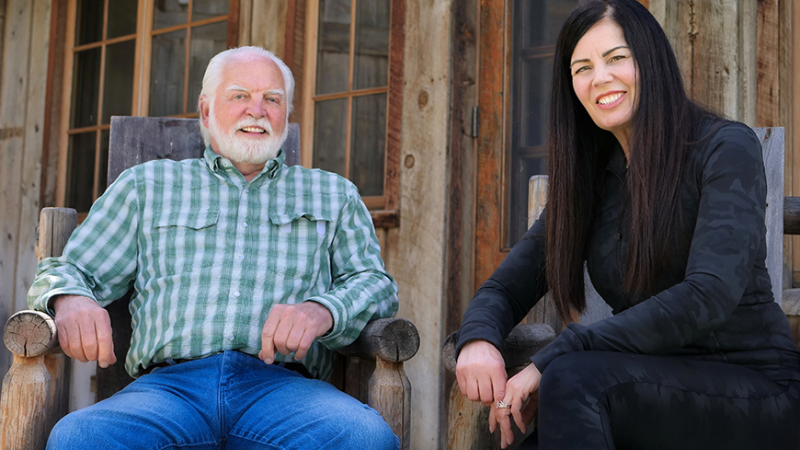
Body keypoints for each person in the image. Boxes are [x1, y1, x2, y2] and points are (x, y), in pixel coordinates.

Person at [454, 1, 800, 449]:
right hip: (639, 387)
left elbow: (709, 293)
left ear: (650, 60)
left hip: (755, 390)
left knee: (570, 376)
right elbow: (505, 287)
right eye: (582, 68)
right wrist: (478, 338)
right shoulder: (591, 179)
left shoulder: (724, 148)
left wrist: (558, 354)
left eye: (617, 58)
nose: (600, 78)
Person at [28, 46, 400, 450]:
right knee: (79, 438)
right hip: (167, 393)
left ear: (286, 115)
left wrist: (322, 311)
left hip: (285, 393)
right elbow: (69, 270)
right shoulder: (147, 186)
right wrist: (70, 300)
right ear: (206, 111)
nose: (257, 110)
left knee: (366, 437)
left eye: (272, 99)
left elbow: (375, 286)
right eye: (239, 95)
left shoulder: (333, 194)